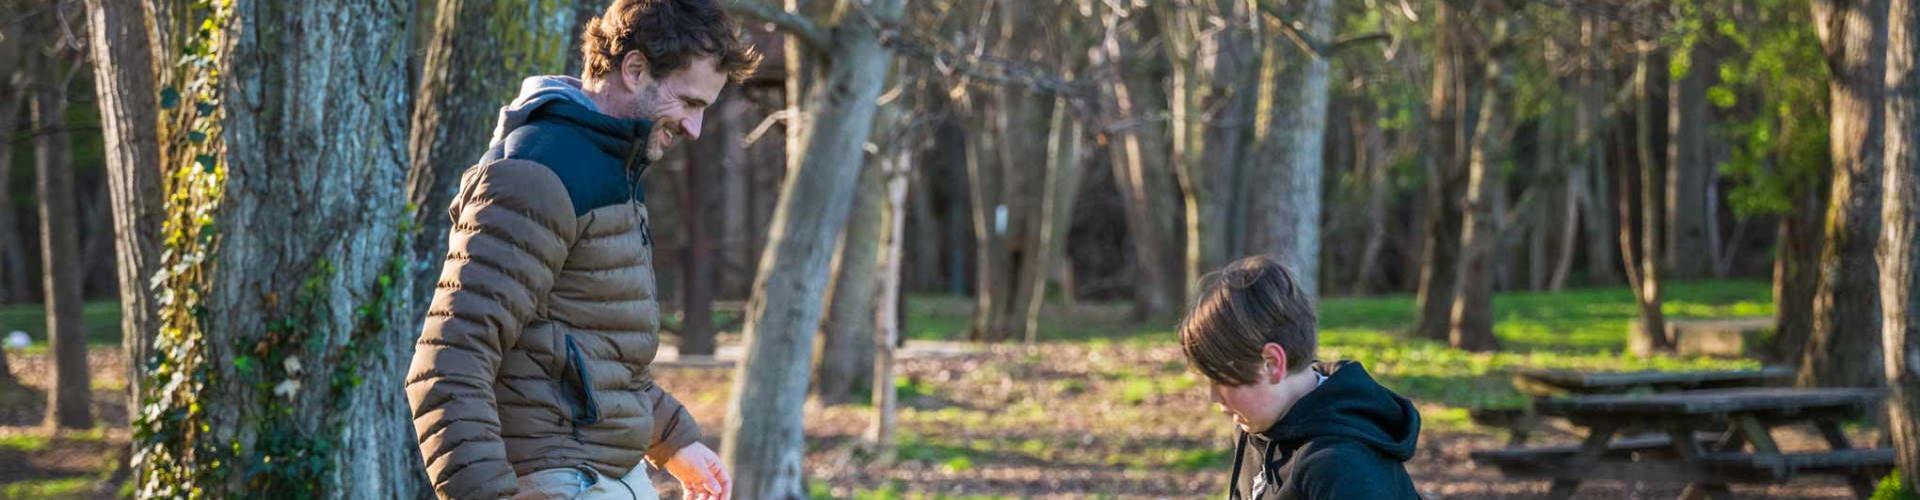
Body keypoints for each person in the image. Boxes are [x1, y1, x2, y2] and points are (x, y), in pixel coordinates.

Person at [403, 1, 758, 498]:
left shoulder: (611, 166)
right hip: (560, 477)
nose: (695, 128)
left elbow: (588, 358)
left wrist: (675, 440)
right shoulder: (538, 174)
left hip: (606, 471)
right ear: (634, 69)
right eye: (690, 103)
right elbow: (448, 364)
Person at [1179, 256, 1423, 499]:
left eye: (1221, 379)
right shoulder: (1255, 428)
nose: (1213, 398)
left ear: (1273, 364)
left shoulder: (1343, 468)